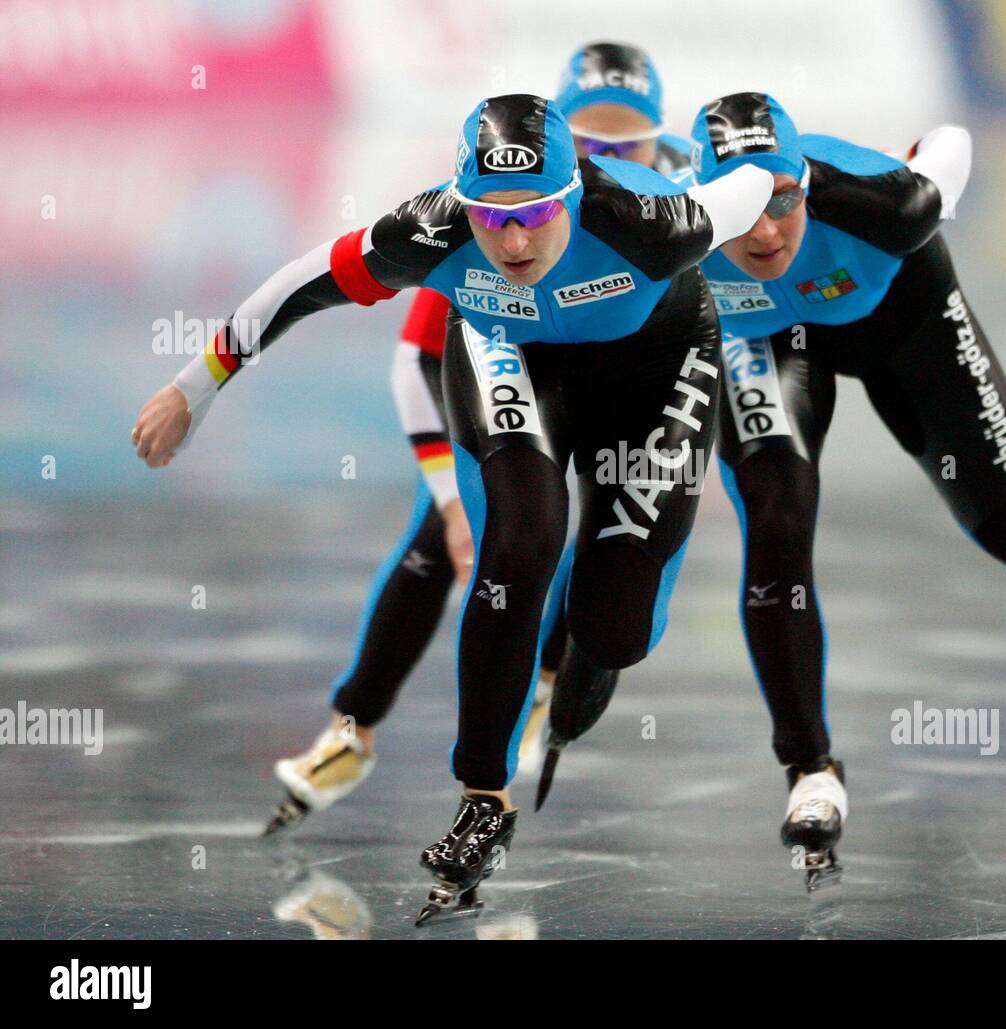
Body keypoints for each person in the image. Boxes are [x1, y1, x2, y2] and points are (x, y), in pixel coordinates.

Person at [131, 92, 774, 917]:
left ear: (572, 195)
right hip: (513, 361)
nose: (511, 239)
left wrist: (774, 193)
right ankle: (483, 799)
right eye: (490, 216)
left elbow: (750, 189)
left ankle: (591, 641)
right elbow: (300, 283)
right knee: (519, 544)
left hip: (655, 367)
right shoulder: (428, 231)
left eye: (536, 212)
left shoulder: (648, 223)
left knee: (613, 627)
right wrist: (196, 388)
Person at [686, 92, 1006, 888]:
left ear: (805, 184)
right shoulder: (681, 235)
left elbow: (949, 144)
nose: (764, 230)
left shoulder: (881, 206)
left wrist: (923, 169)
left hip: (908, 328)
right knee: (777, 517)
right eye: (741, 207)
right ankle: (810, 768)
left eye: (782, 198)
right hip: (769, 346)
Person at [260, 41, 699, 836]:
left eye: (624, 146)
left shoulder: (660, 203)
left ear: (658, 146)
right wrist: (444, 492)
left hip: (629, 384)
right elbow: (414, 360)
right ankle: (352, 727)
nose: (605, 161)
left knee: (593, 536)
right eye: (590, 145)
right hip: (520, 387)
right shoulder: (502, 217)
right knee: (452, 535)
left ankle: (549, 683)